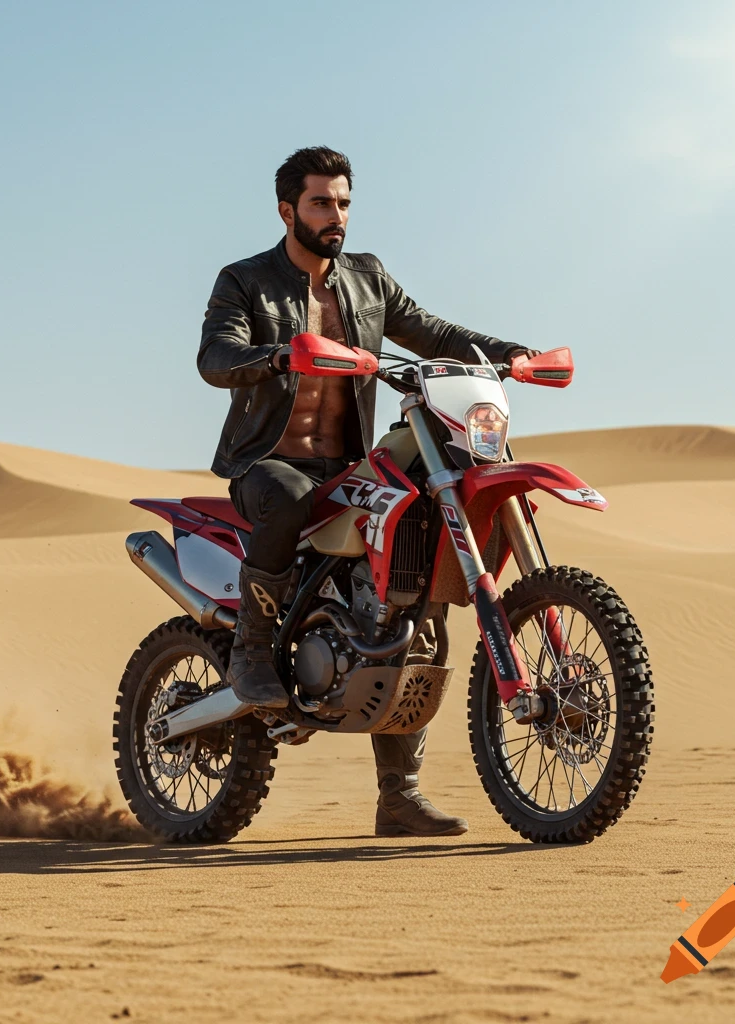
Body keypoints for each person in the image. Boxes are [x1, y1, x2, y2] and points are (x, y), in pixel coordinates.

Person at [197, 146, 536, 837]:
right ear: (288, 209)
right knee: (288, 496)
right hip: (268, 463)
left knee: (412, 595)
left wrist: (511, 354)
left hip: (348, 467)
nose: (336, 216)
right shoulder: (245, 281)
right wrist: (276, 355)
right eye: (322, 203)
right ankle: (252, 652)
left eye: (344, 203)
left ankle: (398, 796)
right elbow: (215, 358)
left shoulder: (367, 280)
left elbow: (433, 330)